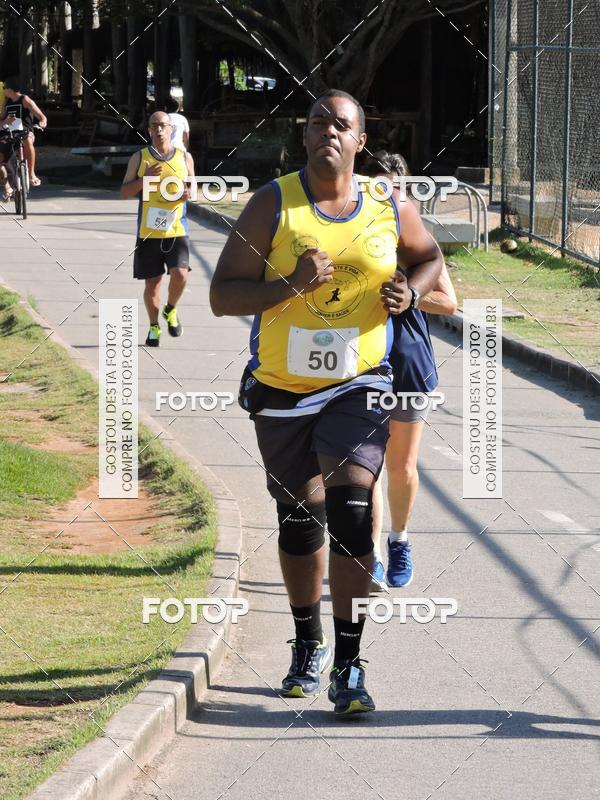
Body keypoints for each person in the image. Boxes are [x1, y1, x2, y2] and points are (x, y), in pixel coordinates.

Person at [210, 90, 443, 715]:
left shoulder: (385, 202)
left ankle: (348, 662)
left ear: (360, 141)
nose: (329, 132)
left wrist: (410, 294)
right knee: (298, 519)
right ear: (304, 134)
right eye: (318, 122)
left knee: (350, 510)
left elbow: (428, 257)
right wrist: (289, 285)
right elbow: (222, 296)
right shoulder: (272, 203)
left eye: (342, 124)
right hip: (283, 388)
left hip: (359, 382)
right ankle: (306, 640)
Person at [361, 151, 457, 590]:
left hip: (407, 361)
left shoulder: (417, 236)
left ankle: (400, 540)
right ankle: (372, 552)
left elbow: (449, 302)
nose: (390, 194)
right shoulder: (353, 231)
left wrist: (411, 294)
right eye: (380, 187)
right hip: (360, 360)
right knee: (367, 468)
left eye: (395, 187)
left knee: (400, 466)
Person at [120, 110, 194, 347]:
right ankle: (154, 327)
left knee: (181, 274)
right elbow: (124, 193)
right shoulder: (139, 158)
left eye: (163, 125)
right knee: (153, 284)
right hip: (149, 232)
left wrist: (187, 193)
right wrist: (145, 179)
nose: (159, 130)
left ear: (172, 128)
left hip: (176, 229)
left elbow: (191, 188)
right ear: (149, 130)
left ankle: (170, 309)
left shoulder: (185, 158)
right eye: (154, 126)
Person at [0, 76, 47, 187]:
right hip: (10, 133)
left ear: (9, 89)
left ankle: (31, 174)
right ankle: (9, 183)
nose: (3, 91)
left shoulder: (24, 100)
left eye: (4, 88)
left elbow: (41, 116)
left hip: (25, 131)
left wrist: (42, 123)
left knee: (27, 141)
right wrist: (6, 120)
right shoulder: (6, 102)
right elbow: (1, 120)